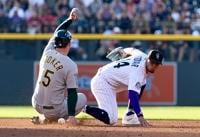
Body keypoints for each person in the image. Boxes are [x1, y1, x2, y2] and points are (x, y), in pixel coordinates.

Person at [31, 8, 87, 126]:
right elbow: (72, 93)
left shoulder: (47, 51)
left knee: (56, 96)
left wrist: (69, 19)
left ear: (55, 42)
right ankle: (58, 119)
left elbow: (58, 31)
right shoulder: (70, 65)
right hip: (55, 110)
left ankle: (44, 118)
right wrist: (72, 115)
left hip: (36, 105)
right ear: (69, 44)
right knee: (82, 98)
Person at [83, 47, 163, 127]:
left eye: (156, 64)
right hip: (103, 83)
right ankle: (81, 107)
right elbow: (132, 95)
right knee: (111, 119)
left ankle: (130, 115)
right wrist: (140, 115)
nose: (153, 65)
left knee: (143, 82)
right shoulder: (138, 72)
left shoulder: (142, 55)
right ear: (147, 59)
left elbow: (132, 49)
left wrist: (123, 52)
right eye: (152, 62)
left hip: (110, 81)